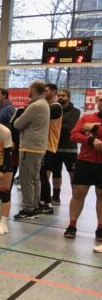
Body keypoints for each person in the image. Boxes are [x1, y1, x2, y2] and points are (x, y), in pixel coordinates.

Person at [63, 94, 102, 250]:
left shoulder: (90, 123)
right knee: (78, 194)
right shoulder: (86, 117)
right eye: (101, 100)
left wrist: (94, 128)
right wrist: (91, 139)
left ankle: (100, 228)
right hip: (85, 161)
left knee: (101, 195)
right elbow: (74, 135)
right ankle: (72, 225)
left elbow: (86, 131)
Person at [13, 81, 50, 220]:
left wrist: (20, 117)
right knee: (34, 177)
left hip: (30, 147)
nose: (28, 90)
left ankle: (29, 209)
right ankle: (34, 205)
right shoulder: (43, 104)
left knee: (26, 179)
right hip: (37, 146)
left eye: (29, 88)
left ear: (33, 89)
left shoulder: (35, 105)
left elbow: (17, 124)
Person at [52, 89, 81, 205]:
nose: (60, 97)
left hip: (70, 148)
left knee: (73, 173)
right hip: (55, 147)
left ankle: (76, 197)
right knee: (56, 173)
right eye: (58, 95)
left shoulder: (76, 111)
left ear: (68, 97)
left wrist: (55, 125)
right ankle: (56, 197)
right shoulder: (54, 109)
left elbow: (70, 127)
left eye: (63, 95)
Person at [38, 84, 63, 214]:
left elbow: (38, 117)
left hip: (48, 145)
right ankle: (42, 201)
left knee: (43, 175)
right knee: (40, 174)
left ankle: (47, 203)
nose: (44, 93)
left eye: (46, 91)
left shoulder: (55, 107)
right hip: (42, 145)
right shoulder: (47, 106)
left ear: (54, 92)